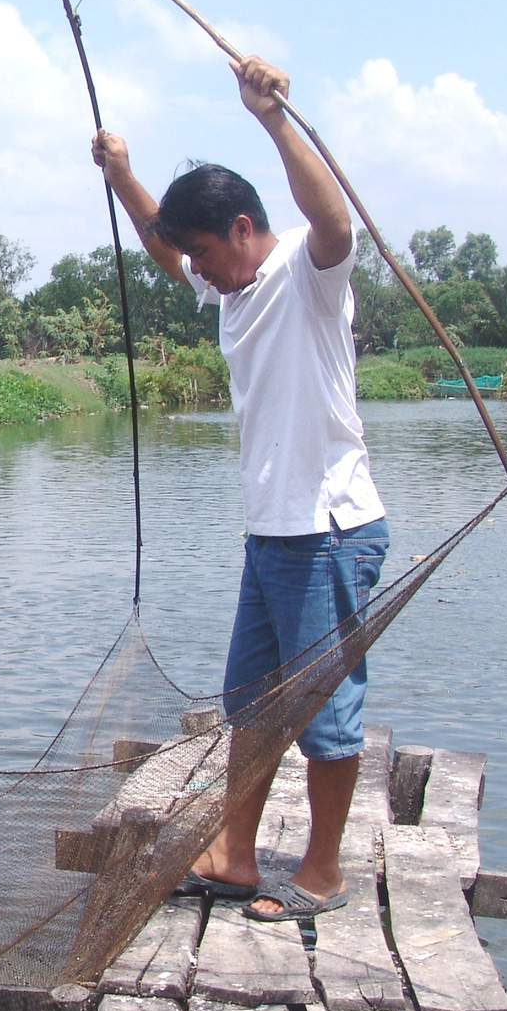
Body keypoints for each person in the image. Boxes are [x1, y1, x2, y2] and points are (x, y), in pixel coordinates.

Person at [92, 54, 388, 922]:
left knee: (324, 714)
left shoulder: (305, 269)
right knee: (250, 707)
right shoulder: (229, 290)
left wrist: (272, 119)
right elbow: (159, 239)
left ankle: (324, 873)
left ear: (246, 226)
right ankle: (233, 858)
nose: (198, 271)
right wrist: (122, 176)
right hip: (273, 535)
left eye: (207, 252)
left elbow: (336, 221)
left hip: (331, 529)